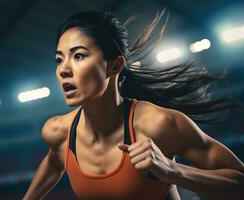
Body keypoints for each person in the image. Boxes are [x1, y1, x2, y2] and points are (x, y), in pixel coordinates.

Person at [23, 10, 244, 200]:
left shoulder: (158, 124)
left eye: (79, 56)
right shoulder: (59, 132)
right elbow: (53, 163)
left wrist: (173, 171)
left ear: (115, 66)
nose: (63, 70)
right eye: (59, 59)